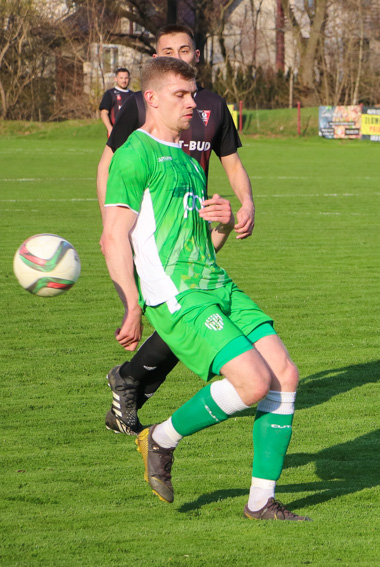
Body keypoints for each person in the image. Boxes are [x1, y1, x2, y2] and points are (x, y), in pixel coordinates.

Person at [102, 56, 309, 521]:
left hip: (215, 283)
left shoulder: (189, 162)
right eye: (181, 95)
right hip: (178, 294)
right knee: (253, 383)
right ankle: (159, 438)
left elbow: (202, 244)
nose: (193, 103)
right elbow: (112, 234)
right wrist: (131, 304)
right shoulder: (134, 154)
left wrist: (221, 222)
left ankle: (260, 503)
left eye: (193, 94)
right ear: (150, 99)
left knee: (286, 376)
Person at [96, 24, 256, 437]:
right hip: (155, 226)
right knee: (182, 311)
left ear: (197, 56)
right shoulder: (141, 106)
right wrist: (114, 222)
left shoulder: (213, 107)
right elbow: (110, 162)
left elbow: (231, 161)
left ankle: (130, 385)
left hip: (196, 225)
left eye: (184, 49)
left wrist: (242, 206)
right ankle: (141, 400)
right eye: (168, 50)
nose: (178, 56)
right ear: (155, 59)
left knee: (188, 312)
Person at [98, 68, 133, 137]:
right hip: (116, 133)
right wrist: (110, 128)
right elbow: (104, 113)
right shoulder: (110, 93)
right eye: (121, 78)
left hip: (131, 134)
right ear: (116, 79)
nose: (124, 80)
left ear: (129, 79)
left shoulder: (133, 95)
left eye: (126, 78)